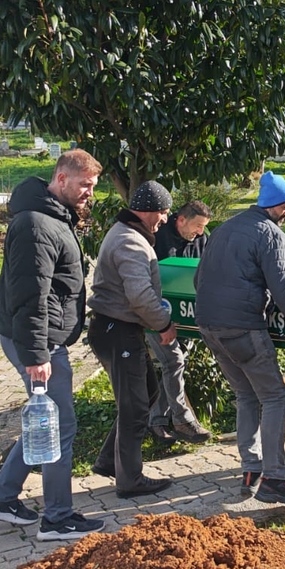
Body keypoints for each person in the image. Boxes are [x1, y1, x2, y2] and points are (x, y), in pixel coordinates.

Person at [0, 150, 107, 541]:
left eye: (93, 187)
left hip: (42, 339)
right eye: (84, 185)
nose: (89, 194)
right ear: (61, 179)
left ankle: (1, 498)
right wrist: (37, 355)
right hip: (37, 343)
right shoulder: (36, 224)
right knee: (61, 425)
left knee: (45, 422)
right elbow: (31, 296)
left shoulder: (53, 217)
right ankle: (58, 518)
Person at [195, 170, 285, 505]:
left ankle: (250, 468)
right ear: (273, 205)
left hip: (209, 326)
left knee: (246, 395)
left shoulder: (225, 228)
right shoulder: (271, 236)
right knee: (274, 398)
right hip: (242, 328)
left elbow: (200, 277)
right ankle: (274, 479)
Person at [86, 181, 178, 498]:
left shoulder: (127, 234)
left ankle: (109, 462)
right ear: (148, 211)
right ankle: (130, 480)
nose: (165, 219)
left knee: (147, 393)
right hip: (118, 331)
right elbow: (139, 296)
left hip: (117, 329)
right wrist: (164, 324)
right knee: (135, 407)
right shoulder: (130, 242)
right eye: (163, 213)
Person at [147, 200, 212, 445]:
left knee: (174, 363)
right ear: (181, 219)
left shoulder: (202, 239)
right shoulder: (157, 237)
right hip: (157, 314)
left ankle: (157, 422)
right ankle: (181, 421)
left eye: (203, 227)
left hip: (188, 316)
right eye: (196, 226)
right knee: (172, 361)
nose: (199, 232)